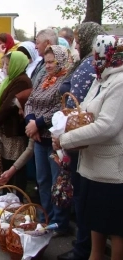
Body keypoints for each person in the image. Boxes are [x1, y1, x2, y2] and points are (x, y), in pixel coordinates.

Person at [53, 35, 123, 260]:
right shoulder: (101, 79)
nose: (95, 59)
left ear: (113, 55)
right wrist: (63, 125)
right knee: (95, 227)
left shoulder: (120, 82)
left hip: (111, 172)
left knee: (114, 229)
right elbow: (83, 110)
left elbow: (107, 126)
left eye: (100, 54)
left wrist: (65, 140)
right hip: (91, 167)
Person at [57, 22, 106, 260]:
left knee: (81, 194)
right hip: (75, 130)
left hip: (80, 133)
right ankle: (83, 245)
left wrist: (65, 134)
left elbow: (76, 97)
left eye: (78, 38)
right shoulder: (85, 61)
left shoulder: (89, 64)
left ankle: (82, 248)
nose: (76, 43)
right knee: (80, 192)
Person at [25, 45, 70, 236]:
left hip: (52, 138)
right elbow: (29, 101)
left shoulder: (65, 81)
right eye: (47, 61)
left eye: (52, 62)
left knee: (56, 182)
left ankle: (59, 222)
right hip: (37, 137)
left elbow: (60, 110)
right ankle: (45, 217)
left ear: (60, 61)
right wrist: (30, 122)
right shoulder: (43, 78)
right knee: (42, 180)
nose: (49, 65)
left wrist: (38, 123)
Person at [0, 51, 32, 195]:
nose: (5, 67)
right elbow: (0, 101)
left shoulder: (22, 81)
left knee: (15, 165)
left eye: (8, 64)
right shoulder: (10, 80)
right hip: (7, 129)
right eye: (4, 64)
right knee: (7, 163)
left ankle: (16, 197)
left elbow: (8, 105)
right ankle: (7, 195)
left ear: (16, 65)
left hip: (15, 130)